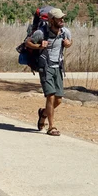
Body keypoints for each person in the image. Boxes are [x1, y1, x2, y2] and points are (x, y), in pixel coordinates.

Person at [25, 8, 72, 136]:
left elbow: (69, 42)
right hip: (45, 67)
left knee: (58, 100)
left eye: (62, 18)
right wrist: (39, 46)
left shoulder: (65, 32)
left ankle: (43, 113)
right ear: (51, 20)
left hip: (58, 67)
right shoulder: (41, 33)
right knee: (50, 96)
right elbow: (27, 43)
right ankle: (51, 127)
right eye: (59, 18)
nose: (62, 20)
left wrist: (68, 44)